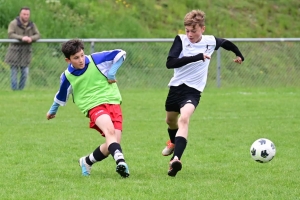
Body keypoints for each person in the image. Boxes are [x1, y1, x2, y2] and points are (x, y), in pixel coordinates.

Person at [162, 10, 244, 177]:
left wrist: (239, 54)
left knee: (184, 118)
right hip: (176, 87)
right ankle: (172, 142)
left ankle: (176, 159)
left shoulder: (210, 41)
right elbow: (170, 63)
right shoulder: (181, 40)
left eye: (194, 31)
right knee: (170, 121)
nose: (190, 34)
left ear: (203, 28)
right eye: (187, 30)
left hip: (193, 91)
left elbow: (226, 43)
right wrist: (196, 57)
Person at [46, 39, 130, 178]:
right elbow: (61, 95)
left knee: (113, 142)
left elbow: (121, 54)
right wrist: (52, 111)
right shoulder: (67, 76)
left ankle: (86, 161)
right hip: (93, 107)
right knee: (109, 131)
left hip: (113, 102)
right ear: (68, 60)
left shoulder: (96, 59)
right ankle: (121, 162)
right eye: (76, 58)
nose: (81, 60)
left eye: (82, 55)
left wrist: (111, 74)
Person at [5, 7, 40, 90]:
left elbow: (38, 35)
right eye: (24, 14)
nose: (26, 16)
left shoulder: (32, 25)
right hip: (14, 52)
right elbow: (10, 34)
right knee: (14, 73)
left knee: (25, 73)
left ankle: (20, 90)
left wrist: (31, 38)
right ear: (20, 14)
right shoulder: (13, 23)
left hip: (26, 53)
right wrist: (22, 38)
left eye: (27, 14)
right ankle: (14, 91)